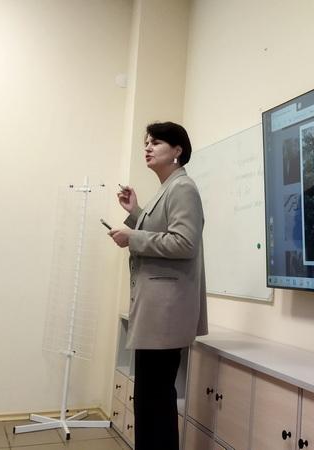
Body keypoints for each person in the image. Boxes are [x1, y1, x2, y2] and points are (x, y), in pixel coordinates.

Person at [107, 121, 207, 450]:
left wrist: (132, 237)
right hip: (156, 313)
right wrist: (135, 212)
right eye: (146, 142)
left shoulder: (183, 188)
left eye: (156, 142)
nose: (148, 147)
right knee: (149, 400)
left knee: (157, 402)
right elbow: (161, 231)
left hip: (165, 315)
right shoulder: (168, 188)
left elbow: (184, 243)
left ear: (177, 150)